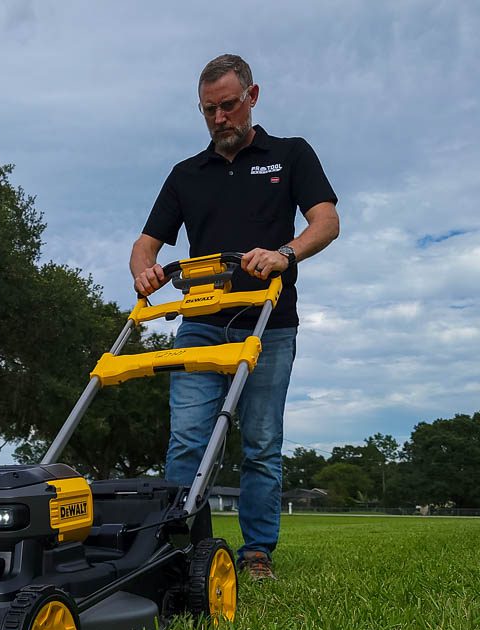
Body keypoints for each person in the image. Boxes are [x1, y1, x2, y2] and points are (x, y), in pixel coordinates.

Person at [130, 53, 340, 581]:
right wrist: (145, 272)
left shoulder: (290, 156)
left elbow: (327, 221)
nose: (219, 118)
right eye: (208, 111)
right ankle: (180, 547)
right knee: (187, 438)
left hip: (270, 321)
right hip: (200, 323)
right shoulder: (186, 174)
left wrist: (283, 254)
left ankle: (256, 552)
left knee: (262, 442)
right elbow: (145, 244)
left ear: (252, 96)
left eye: (227, 106)